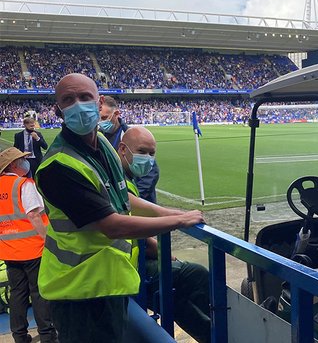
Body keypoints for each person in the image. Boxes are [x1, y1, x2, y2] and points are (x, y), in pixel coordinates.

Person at [34, 73, 205, 343]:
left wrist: (168, 212)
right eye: (68, 99)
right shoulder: (58, 166)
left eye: (84, 97)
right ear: (58, 110)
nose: (78, 104)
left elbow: (122, 194)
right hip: (79, 294)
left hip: (107, 284)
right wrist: (178, 221)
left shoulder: (100, 143)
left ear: (99, 102)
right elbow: (111, 225)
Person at [118, 126, 211, 343]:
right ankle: (226, 323)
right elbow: (132, 222)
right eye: (143, 151)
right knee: (195, 274)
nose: (148, 159)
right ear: (123, 149)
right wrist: (177, 219)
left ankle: (214, 332)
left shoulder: (126, 178)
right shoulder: (119, 179)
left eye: (152, 154)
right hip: (128, 271)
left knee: (175, 297)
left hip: (129, 267)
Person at [0, 147, 58, 343]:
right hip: (33, 248)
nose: (26, 162)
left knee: (17, 293)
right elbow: (33, 214)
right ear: (13, 165)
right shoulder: (23, 184)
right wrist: (48, 240)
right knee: (39, 292)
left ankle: (19, 336)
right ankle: (47, 335)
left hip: (9, 249)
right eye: (22, 160)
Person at [99, 96, 160, 203]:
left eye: (104, 118)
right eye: (98, 118)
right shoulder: (99, 138)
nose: (100, 122)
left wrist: (132, 200)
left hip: (138, 204)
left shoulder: (133, 138)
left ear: (116, 114)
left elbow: (150, 174)